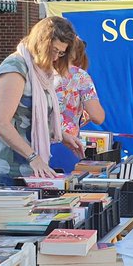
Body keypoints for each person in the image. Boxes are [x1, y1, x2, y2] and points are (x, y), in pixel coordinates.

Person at [0, 16, 85, 188]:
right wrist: (33, 157)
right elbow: (0, 122)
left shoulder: (39, 71)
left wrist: (61, 135)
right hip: (11, 170)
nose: (56, 58)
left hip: (34, 168)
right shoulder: (15, 68)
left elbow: (37, 118)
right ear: (41, 43)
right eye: (53, 50)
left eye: (61, 53)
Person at [50, 38, 106, 172]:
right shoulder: (80, 76)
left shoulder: (42, 71)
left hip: (37, 143)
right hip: (67, 145)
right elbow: (97, 117)